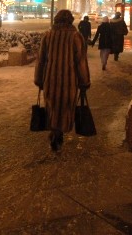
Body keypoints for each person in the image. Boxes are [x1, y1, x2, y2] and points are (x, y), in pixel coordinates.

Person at [34, 9, 90, 153]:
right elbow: (80, 62)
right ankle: (59, 133)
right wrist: (84, 82)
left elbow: (41, 61)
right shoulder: (75, 37)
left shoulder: (48, 36)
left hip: (50, 80)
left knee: (52, 106)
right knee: (65, 107)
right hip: (69, 81)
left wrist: (39, 79)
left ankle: (54, 132)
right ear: (71, 20)